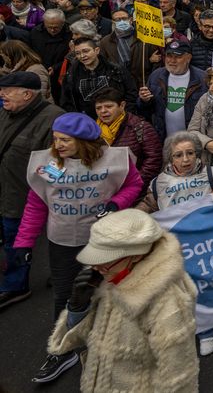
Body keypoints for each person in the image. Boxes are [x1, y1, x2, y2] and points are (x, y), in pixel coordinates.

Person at [14, 112, 143, 383]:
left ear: (84, 141)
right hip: (62, 242)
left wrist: (116, 203)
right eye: (56, 139)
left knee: (110, 291)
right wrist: (24, 242)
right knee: (64, 295)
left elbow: (134, 185)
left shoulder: (114, 161)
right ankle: (64, 349)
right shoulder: (48, 163)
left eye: (64, 140)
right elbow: (37, 203)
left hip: (103, 239)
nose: (57, 145)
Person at [46, 209, 199, 392]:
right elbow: (83, 338)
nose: (95, 266)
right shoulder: (106, 279)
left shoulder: (168, 303)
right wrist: (78, 308)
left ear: (135, 255)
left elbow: (179, 379)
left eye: (105, 259)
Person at [0, 72, 64, 310]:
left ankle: (15, 286)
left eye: (8, 90)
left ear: (27, 94)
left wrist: (42, 191)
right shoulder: (5, 112)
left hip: (25, 197)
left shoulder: (54, 119)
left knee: (18, 241)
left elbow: (60, 161)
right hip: (5, 189)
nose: (2, 95)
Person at [138, 40, 208, 140]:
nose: (172, 60)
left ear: (188, 58)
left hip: (194, 140)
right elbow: (145, 112)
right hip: (163, 139)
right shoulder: (156, 76)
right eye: (169, 56)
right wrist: (144, 101)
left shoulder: (202, 78)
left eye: (178, 57)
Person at [93, 87, 162, 188]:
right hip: (102, 190)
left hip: (134, 190)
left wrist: (134, 183)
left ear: (122, 105)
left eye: (108, 106)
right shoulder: (91, 131)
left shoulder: (140, 127)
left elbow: (154, 159)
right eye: (98, 108)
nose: (103, 111)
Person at [60, 36, 137, 119]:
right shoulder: (71, 75)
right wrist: (79, 120)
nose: (82, 56)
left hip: (117, 120)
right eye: (78, 53)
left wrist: (125, 116)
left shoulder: (116, 70)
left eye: (86, 51)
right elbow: (66, 102)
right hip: (86, 122)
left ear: (96, 50)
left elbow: (131, 94)